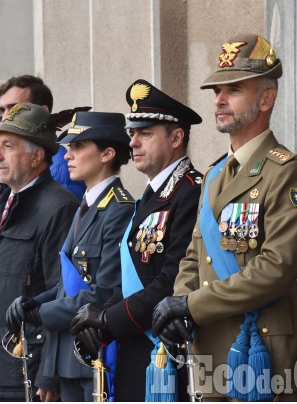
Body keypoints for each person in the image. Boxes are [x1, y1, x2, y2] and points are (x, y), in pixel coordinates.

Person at [152, 33, 297, 401]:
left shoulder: (288, 173)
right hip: (211, 352)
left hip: (263, 353)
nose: (219, 100)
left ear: (266, 99)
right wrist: (178, 308)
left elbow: (276, 267)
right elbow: (194, 257)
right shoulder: (213, 176)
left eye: (234, 89)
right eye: (216, 91)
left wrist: (191, 305)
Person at [69, 79, 204, 401]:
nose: (134, 143)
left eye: (145, 133)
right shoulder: (150, 196)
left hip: (164, 346)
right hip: (137, 343)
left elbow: (173, 278)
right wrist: (100, 314)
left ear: (176, 137)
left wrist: (108, 319)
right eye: (132, 134)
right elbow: (134, 281)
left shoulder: (190, 191)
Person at [7, 111, 135, 401]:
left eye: (78, 147)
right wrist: (33, 303)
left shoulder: (119, 210)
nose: (67, 156)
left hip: (95, 354)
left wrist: (40, 314)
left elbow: (103, 292)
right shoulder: (84, 206)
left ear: (107, 154)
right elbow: (68, 284)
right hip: (67, 356)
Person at [0, 103, 79, 400]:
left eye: (8, 145)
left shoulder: (58, 207)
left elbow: (64, 294)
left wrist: (50, 372)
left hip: (28, 370)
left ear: (37, 156)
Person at [0, 75, 87, 200]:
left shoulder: (60, 168)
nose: (5, 117)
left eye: (15, 108)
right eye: (3, 110)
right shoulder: (14, 159)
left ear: (43, 111)